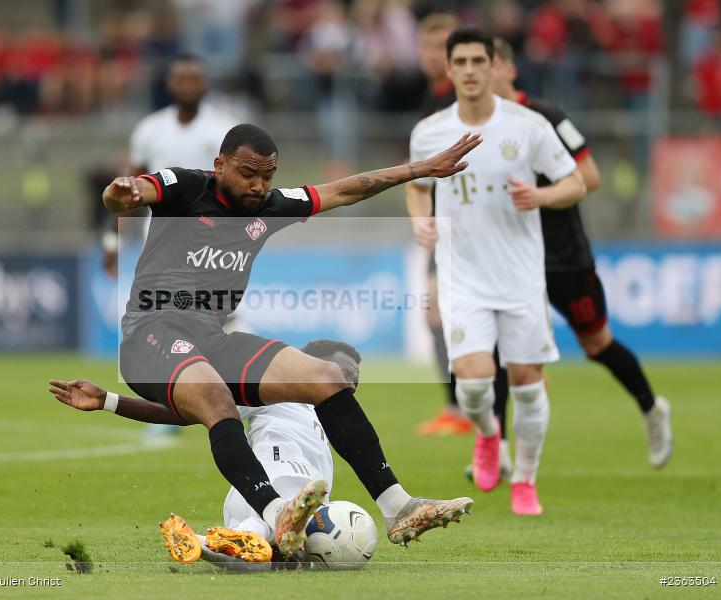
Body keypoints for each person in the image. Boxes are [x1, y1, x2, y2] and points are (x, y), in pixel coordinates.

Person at [99, 122, 481, 556]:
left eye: (267, 176)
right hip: (152, 333)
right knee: (217, 400)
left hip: (210, 336)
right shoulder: (186, 186)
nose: (259, 185)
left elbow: (344, 191)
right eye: (248, 173)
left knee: (327, 376)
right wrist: (120, 193)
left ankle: (398, 507)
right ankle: (276, 511)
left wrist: (421, 169)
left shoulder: (270, 205)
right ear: (219, 164)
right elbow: (132, 192)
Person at [408, 27, 587, 516]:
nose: (468, 70)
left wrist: (541, 196)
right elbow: (417, 185)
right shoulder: (430, 131)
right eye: (459, 62)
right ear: (448, 70)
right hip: (462, 276)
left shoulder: (528, 126)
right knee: (472, 385)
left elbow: (576, 182)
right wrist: (420, 220)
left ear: (494, 67)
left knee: (528, 383)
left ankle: (525, 480)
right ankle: (488, 436)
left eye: (476, 61)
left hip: (521, 278)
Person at [488, 38, 672, 469]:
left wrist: (541, 196)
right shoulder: (471, 126)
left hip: (564, 257)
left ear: (509, 70)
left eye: (488, 62)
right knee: (497, 346)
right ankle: (494, 448)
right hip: (512, 259)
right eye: (468, 64)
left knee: (596, 344)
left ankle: (652, 408)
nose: (478, 72)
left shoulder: (548, 118)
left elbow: (590, 176)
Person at [49, 339, 370, 569]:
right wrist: (108, 400)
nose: (350, 384)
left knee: (267, 561)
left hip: (248, 504)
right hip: (271, 482)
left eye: (354, 380)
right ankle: (263, 532)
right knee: (281, 516)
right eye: (344, 374)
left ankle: (209, 541)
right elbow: (184, 411)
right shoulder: (277, 392)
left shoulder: (330, 426)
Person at [102, 55, 237, 277]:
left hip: (213, 242)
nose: (188, 86)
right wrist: (112, 242)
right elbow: (133, 193)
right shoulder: (149, 130)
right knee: (168, 309)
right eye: (181, 79)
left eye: (194, 79)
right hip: (162, 241)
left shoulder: (225, 129)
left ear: (206, 83)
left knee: (218, 310)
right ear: (169, 84)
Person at [408, 12, 476, 438]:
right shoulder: (427, 105)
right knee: (436, 312)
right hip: (443, 227)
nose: (435, 56)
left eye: (442, 47)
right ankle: (457, 406)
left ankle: (476, 402)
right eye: (428, 47)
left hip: (477, 225)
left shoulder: (468, 103)